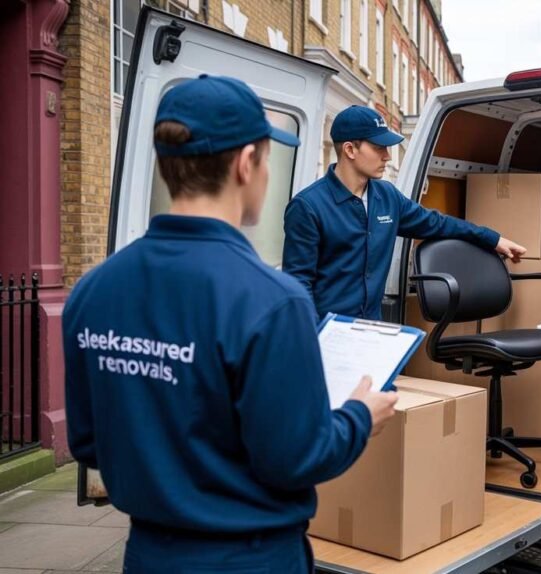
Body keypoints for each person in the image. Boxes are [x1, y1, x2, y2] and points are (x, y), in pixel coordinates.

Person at [63, 75, 397, 573]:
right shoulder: (273, 302)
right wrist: (360, 417)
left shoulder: (93, 291)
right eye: (267, 160)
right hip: (251, 558)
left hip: (149, 555)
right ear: (246, 164)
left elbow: (89, 443)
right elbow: (297, 458)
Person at [282, 105, 526, 320]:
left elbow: (437, 224)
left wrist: (492, 239)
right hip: (327, 334)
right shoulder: (308, 207)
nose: (387, 156)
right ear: (350, 149)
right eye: (379, 147)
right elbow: (298, 286)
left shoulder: (387, 196)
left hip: (372, 329)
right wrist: (312, 339)